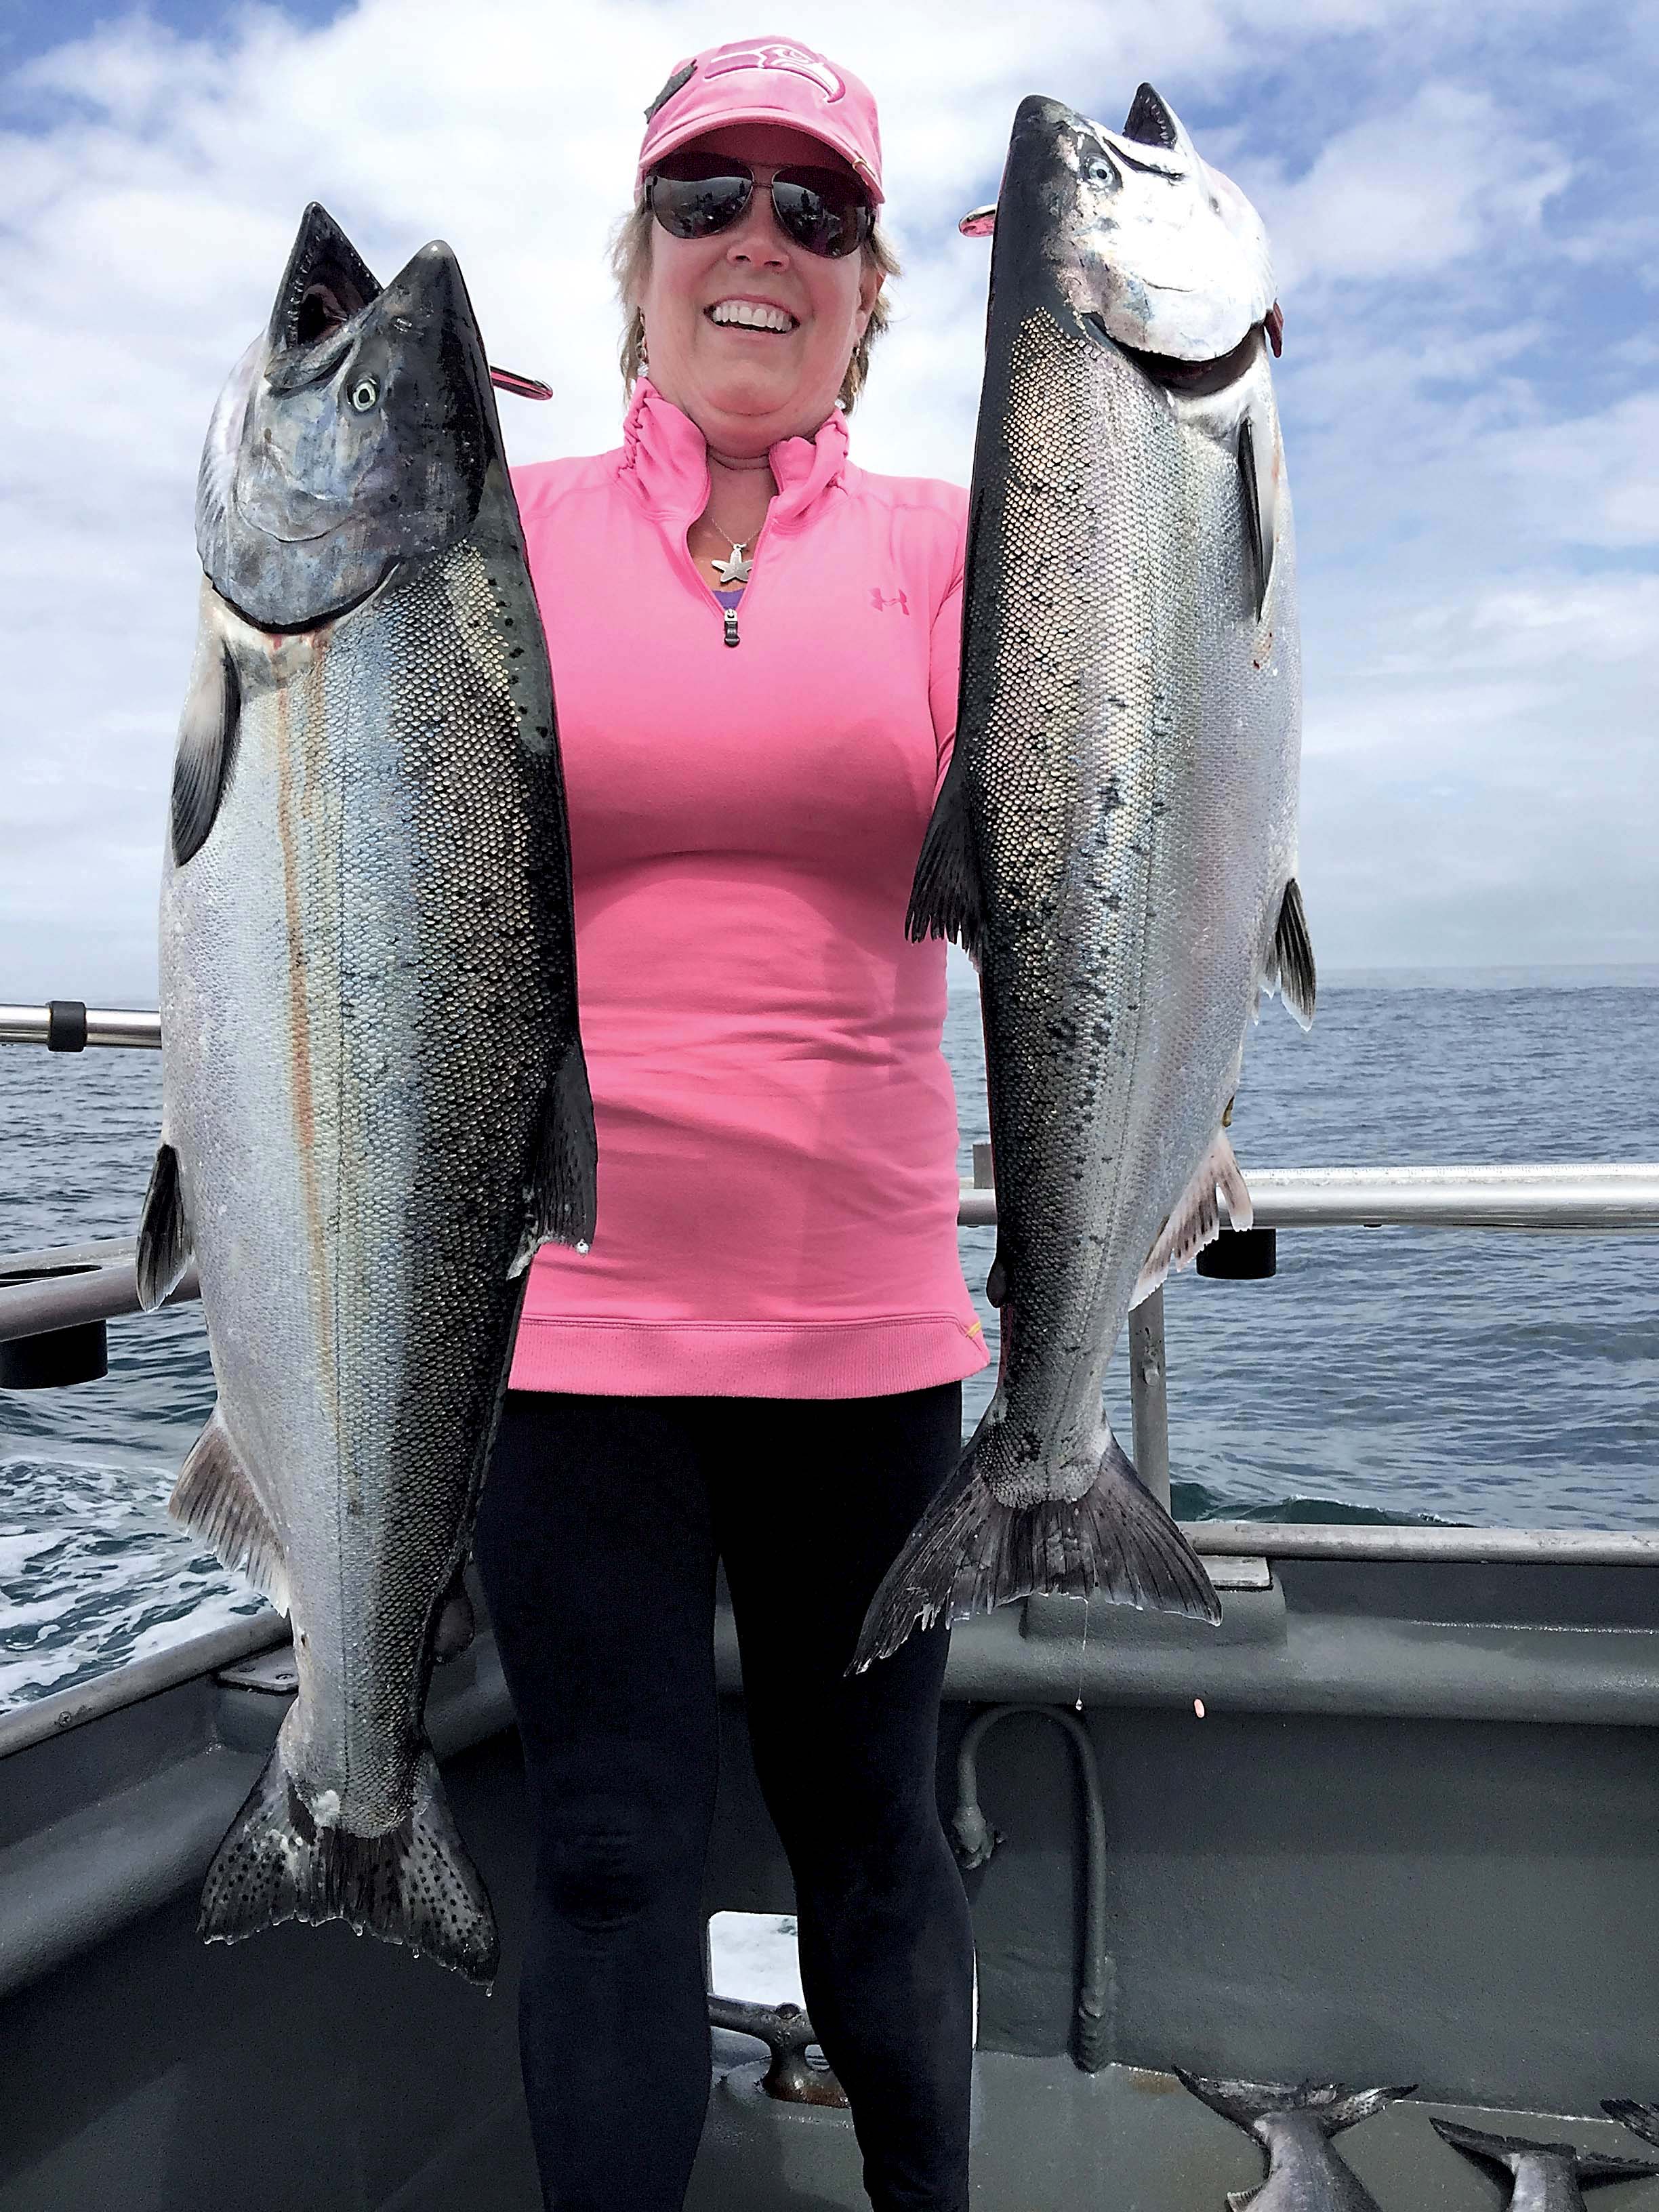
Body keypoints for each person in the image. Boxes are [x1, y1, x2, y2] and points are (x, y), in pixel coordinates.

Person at [471, 37, 985, 2212]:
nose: (760, 240)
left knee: (873, 1841)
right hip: (559, 1326)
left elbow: (1120, 847)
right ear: (637, 258)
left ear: (871, 285)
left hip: (867, 1323)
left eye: (818, 209)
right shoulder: (487, 539)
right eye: (710, 197)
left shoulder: (979, 551)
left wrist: (1187, 456)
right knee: (601, 1854)